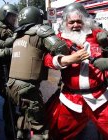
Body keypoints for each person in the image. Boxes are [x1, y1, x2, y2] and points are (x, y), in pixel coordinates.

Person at [43, 2, 108, 140]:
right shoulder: (60, 39)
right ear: (65, 23)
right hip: (71, 100)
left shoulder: (98, 34)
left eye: (79, 21)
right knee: (60, 134)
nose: (75, 25)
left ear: (85, 21)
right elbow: (47, 60)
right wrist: (68, 59)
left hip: (102, 97)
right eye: (71, 22)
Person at [5, 6, 69, 140]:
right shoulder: (40, 31)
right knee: (39, 126)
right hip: (27, 88)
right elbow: (60, 48)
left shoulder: (18, 34)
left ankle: (20, 135)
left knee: (24, 114)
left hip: (11, 85)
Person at [0, 4, 18, 139]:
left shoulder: (12, 28)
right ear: (5, 15)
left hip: (8, 66)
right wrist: (8, 47)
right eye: (11, 16)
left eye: (14, 16)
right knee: (8, 97)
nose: (13, 18)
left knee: (10, 97)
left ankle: (11, 123)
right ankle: (10, 126)